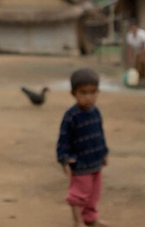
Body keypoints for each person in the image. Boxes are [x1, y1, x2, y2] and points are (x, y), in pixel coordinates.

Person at [56, 68, 109, 227]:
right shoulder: (71, 116)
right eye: (83, 93)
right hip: (79, 164)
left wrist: (104, 152)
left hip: (95, 162)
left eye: (92, 93)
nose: (88, 97)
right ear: (74, 93)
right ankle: (78, 221)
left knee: (93, 194)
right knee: (79, 194)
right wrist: (64, 159)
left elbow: (99, 134)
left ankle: (90, 218)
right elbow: (63, 139)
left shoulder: (95, 112)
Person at [125, 19, 145, 86]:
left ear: (136, 28)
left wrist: (143, 56)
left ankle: (144, 80)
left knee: (142, 63)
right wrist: (129, 58)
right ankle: (137, 80)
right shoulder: (129, 35)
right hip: (137, 50)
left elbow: (144, 46)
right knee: (136, 65)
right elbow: (129, 48)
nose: (133, 29)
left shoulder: (142, 34)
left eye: (134, 28)